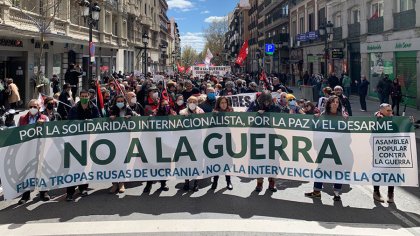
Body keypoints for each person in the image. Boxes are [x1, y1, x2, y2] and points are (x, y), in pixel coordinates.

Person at [305, 95, 344, 201]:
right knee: (321, 168)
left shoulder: (342, 116)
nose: (335, 103)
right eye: (333, 102)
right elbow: (315, 128)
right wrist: (315, 118)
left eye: (337, 102)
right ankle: (316, 191)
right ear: (329, 104)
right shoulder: (323, 115)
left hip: (338, 147)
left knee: (338, 169)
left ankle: (336, 193)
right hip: (325, 147)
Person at [66, 90, 100, 201]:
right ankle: (70, 191)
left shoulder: (94, 107)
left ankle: (83, 187)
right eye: (82, 96)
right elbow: (69, 123)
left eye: (86, 96)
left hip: (89, 140)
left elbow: (98, 121)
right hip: (76, 141)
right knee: (73, 166)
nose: (85, 97)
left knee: (85, 165)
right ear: (79, 97)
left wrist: (91, 122)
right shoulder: (74, 108)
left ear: (89, 97)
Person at [246, 90, 281, 192]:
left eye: (268, 101)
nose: (266, 103)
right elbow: (247, 115)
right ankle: (259, 183)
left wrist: (275, 105)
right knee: (258, 161)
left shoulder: (274, 105)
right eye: (264, 102)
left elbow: (282, 113)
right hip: (257, 137)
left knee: (273, 161)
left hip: (272, 137)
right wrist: (256, 113)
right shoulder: (254, 104)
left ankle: (272, 182)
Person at [17, 99, 50, 205]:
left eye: (35, 107)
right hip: (26, 150)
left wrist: (43, 125)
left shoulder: (45, 118)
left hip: (40, 148)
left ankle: (43, 192)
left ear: (39, 108)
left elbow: (50, 134)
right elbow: (17, 133)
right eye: (31, 106)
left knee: (42, 170)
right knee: (27, 171)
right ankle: (25, 195)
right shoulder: (22, 119)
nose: (33, 109)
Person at [109, 95, 135, 194]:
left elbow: (134, 120)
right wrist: (110, 117)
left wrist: (130, 117)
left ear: (124, 102)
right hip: (114, 139)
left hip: (125, 139)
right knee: (114, 161)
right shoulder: (112, 109)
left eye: (121, 101)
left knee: (123, 161)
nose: (120, 102)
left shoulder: (128, 109)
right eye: (118, 101)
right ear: (115, 102)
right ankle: (114, 183)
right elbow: (104, 121)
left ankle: (122, 183)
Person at [180, 96, 204, 191]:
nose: (192, 103)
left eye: (194, 101)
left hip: (197, 141)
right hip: (186, 142)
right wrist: (183, 118)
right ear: (187, 103)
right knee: (186, 163)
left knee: (197, 163)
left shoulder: (201, 112)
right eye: (190, 101)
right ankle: (186, 182)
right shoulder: (182, 112)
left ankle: (196, 183)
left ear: (197, 103)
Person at [373, 103, 395, 203]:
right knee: (378, 171)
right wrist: (378, 117)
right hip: (379, 150)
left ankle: (391, 193)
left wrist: (408, 122)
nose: (390, 112)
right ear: (381, 111)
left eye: (391, 110)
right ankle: (376, 191)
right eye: (388, 110)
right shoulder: (377, 119)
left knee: (392, 172)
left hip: (392, 150)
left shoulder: (394, 120)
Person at [211, 96, 234, 190]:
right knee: (217, 162)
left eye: (225, 102)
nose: (224, 104)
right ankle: (215, 181)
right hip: (218, 141)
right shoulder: (215, 112)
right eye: (222, 103)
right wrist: (214, 115)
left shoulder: (231, 112)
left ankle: (228, 181)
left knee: (227, 162)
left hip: (229, 140)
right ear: (218, 104)